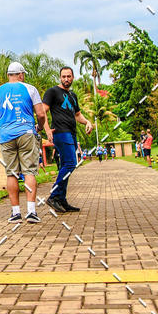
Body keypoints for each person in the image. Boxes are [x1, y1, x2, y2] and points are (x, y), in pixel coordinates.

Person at [0, 61, 48, 224]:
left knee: (12, 173)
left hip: (6, 136)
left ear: (8, 75)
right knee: (29, 171)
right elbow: (41, 114)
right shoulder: (30, 89)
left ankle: (15, 213)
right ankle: (31, 212)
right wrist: (40, 128)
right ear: (21, 74)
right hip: (26, 133)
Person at [43, 66, 93, 213]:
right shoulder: (52, 92)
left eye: (69, 76)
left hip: (71, 133)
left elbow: (78, 115)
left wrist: (88, 122)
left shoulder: (72, 95)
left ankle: (61, 199)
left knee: (66, 165)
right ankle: (54, 196)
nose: (66, 79)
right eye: (64, 76)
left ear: (73, 77)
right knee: (71, 163)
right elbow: (42, 111)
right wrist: (46, 129)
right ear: (60, 77)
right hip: (60, 132)